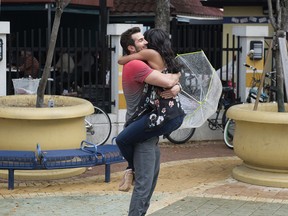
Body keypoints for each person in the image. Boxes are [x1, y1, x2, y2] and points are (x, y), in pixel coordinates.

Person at [117, 27, 182, 216]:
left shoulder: (145, 62)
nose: (145, 43)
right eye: (140, 41)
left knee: (151, 181)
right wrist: (175, 82)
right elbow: (166, 80)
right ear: (131, 48)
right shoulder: (136, 65)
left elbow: (168, 76)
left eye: (145, 39)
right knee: (144, 184)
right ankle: (131, 168)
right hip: (142, 129)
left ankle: (132, 169)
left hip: (149, 128)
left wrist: (176, 83)